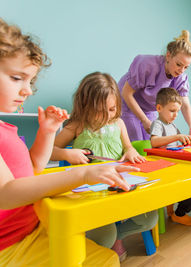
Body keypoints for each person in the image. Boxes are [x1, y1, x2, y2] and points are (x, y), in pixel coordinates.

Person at [0, 18, 136, 266]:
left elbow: (33, 167)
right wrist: (83, 174)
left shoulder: (6, 129)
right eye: (17, 78)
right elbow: (5, 194)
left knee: (105, 255)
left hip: (32, 228)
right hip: (10, 246)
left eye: (30, 81)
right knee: (104, 259)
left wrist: (47, 131)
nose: (28, 90)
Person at [51, 72, 158, 261]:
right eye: (99, 110)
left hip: (120, 186)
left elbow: (128, 147)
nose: (107, 115)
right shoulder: (77, 125)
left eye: (111, 108)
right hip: (92, 193)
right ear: (85, 106)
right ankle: (104, 241)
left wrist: (131, 151)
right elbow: (50, 150)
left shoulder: (119, 123)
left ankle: (117, 235)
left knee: (150, 218)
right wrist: (67, 153)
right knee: (104, 236)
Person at [118, 30, 191, 141]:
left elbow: (185, 105)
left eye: (186, 67)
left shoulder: (181, 78)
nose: (181, 70)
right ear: (168, 55)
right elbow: (126, 93)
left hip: (148, 109)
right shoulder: (147, 65)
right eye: (179, 64)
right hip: (126, 103)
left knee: (151, 142)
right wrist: (144, 120)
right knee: (136, 139)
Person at [150, 87, 191, 226]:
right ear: (159, 108)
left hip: (176, 166)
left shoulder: (173, 125)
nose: (175, 114)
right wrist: (176, 136)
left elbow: (183, 141)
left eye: (177, 111)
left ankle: (178, 210)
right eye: (172, 111)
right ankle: (179, 214)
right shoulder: (158, 124)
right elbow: (154, 141)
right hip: (165, 170)